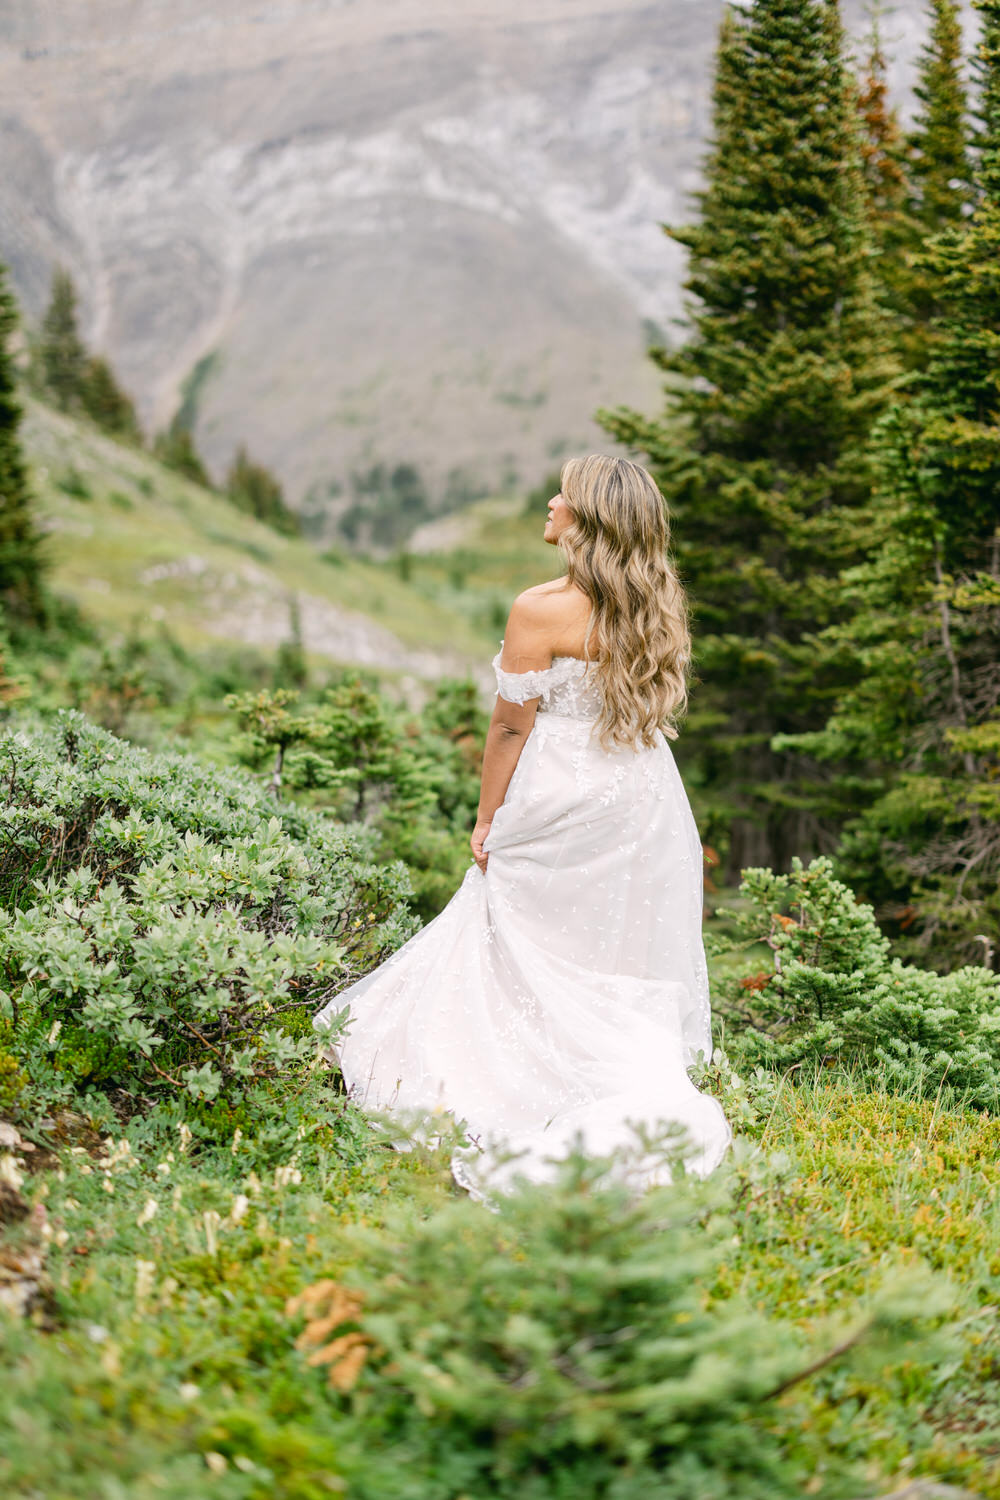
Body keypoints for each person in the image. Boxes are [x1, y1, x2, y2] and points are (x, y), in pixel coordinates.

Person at [314, 454, 731, 1199]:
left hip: (560, 797)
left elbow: (509, 729)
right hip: (641, 802)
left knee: (521, 937)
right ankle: (601, 1072)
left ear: (588, 519)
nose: (550, 502)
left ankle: (526, 1078)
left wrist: (487, 818)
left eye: (563, 496)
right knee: (608, 951)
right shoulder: (657, 601)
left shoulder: (539, 608)